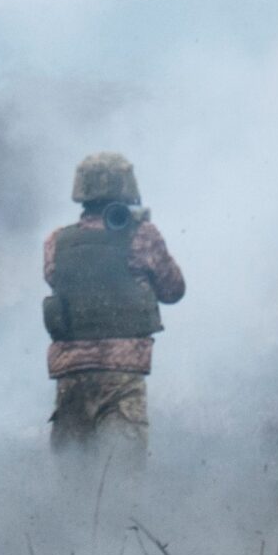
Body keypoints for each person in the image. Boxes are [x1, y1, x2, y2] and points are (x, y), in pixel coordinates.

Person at [44, 152, 185, 457]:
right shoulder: (143, 236)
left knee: (71, 477)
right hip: (122, 374)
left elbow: (55, 280)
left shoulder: (57, 241)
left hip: (71, 374)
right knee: (121, 477)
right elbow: (173, 290)